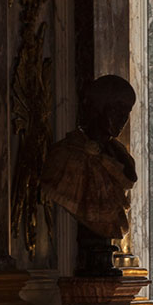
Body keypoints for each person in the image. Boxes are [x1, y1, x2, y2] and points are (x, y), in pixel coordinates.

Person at [40, 76, 140, 278]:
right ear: (98, 108)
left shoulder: (118, 153)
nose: (122, 119)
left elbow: (129, 177)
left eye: (126, 113)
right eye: (117, 110)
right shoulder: (66, 154)